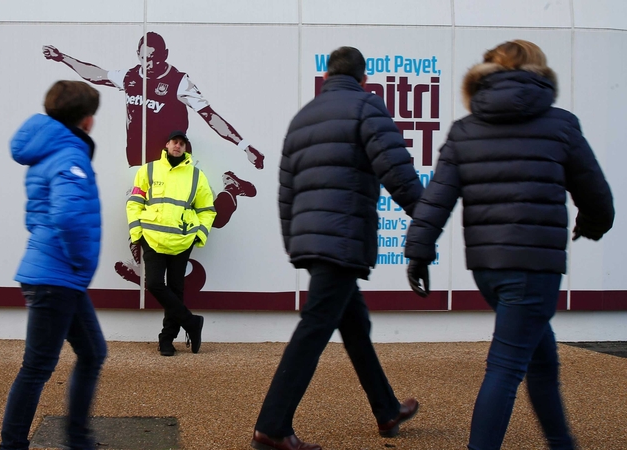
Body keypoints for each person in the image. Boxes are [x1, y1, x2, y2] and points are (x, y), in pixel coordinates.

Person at [404, 40, 614, 450]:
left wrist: (418, 252)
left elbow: (436, 199)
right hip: (535, 266)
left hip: (488, 268)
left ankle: (561, 442)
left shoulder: (465, 130)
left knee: (540, 357)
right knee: (506, 366)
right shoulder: (561, 125)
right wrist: (591, 224)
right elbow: (596, 195)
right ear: (539, 72)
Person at [251, 46, 424, 450]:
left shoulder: (302, 118)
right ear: (364, 79)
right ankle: (272, 427)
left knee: (354, 324)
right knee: (314, 328)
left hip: (313, 240)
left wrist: (295, 241)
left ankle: (386, 409)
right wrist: (427, 217)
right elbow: (398, 173)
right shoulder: (367, 108)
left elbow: (286, 190)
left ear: (326, 76)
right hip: (343, 238)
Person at [43, 32, 259, 236]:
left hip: (176, 165)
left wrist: (244, 146)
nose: (149, 63)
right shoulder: (130, 77)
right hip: (141, 164)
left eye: (154, 58)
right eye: (145, 57)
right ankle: (141, 264)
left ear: (165, 55)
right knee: (139, 216)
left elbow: (210, 116)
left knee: (215, 219)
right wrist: (62, 58)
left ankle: (231, 187)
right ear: (138, 55)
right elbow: (96, 74)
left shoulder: (179, 82)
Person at [0, 80, 108, 450]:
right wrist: (80, 262)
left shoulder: (50, 152)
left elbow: (40, 216)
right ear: (86, 119)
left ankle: (78, 439)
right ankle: (12, 446)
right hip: (56, 277)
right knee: (37, 367)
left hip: (56, 275)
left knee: (93, 353)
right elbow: (68, 218)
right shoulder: (69, 155)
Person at [126, 130, 216, 356]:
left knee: (176, 290)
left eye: (182, 143)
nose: (178, 146)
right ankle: (191, 322)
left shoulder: (196, 175)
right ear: (166, 144)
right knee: (155, 283)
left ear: (185, 148)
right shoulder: (148, 169)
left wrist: (199, 235)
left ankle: (166, 340)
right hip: (153, 239)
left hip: (182, 239)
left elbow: (207, 210)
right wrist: (138, 234)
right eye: (174, 142)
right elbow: (134, 203)